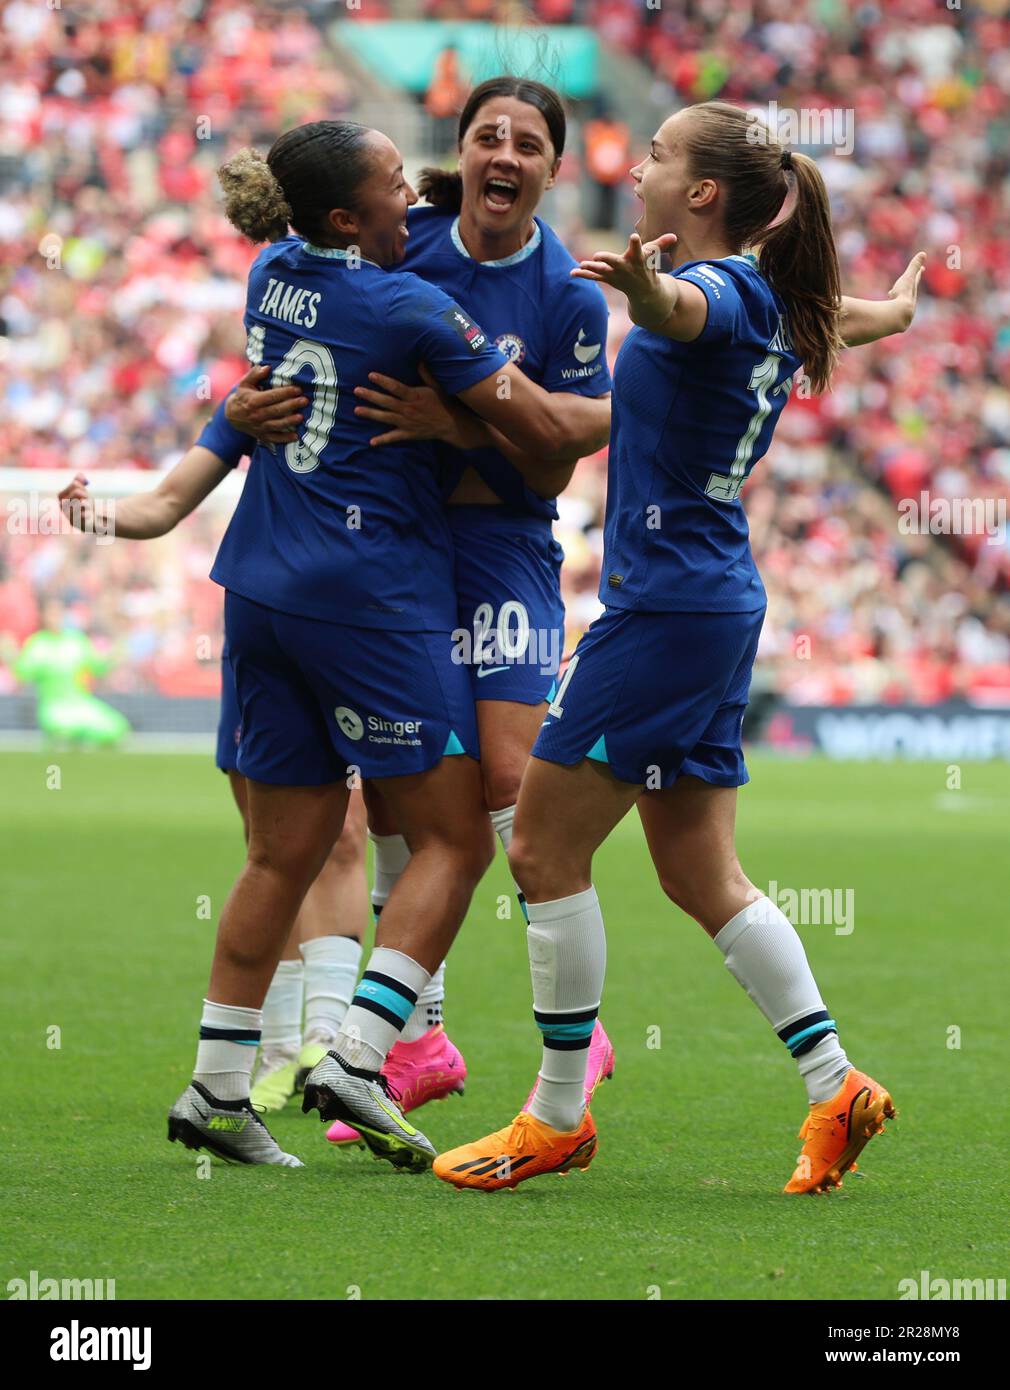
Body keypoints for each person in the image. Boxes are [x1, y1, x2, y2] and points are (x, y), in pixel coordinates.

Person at [432, 100, 926, 1194]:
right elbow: (813, 316)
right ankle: (834, 1082)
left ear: (700, 194)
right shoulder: (776, 302)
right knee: (700, 871)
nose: (640, 164)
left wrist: (645, 291)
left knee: (541, 851)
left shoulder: (714, 290)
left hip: (661, 611)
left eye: (656, 155)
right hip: (711, 603)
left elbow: (681, 311)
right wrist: (886, 315)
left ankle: (556, 1115)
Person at [163, 118, 600, 1170]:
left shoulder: (271, 270)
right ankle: (363, 1050)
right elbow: (545, 438)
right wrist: (652, 401)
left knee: (286, 846)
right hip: (368, 598)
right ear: (345, 218)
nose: (415, 200)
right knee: (454, 835)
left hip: (257, 584)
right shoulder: (410, 303)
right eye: (394, 186)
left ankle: (216, 1084)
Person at [58, 431, 370, 1115]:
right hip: (265, 630)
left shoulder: (385, 373)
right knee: (273, 844)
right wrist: (98, 516)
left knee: (346, 832)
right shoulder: (259, 396)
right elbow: (170, 498)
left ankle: (327, 1039)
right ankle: (282, 1047)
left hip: (358, 624)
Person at [13, 599, 129, 748]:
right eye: (51, 613)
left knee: (117, 729)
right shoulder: (38, 643)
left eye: (58, 612)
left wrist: (113, 657)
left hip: (82, 703)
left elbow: (97, 668)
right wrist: (10, 655)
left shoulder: (76, 640)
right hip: (54, 708)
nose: (55, 617)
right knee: (65, 733)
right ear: (43, 616)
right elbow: (23, 673)